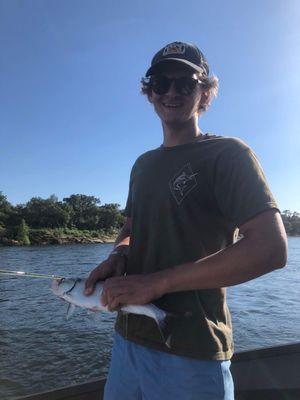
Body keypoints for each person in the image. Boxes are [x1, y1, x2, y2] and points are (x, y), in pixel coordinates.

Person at [84, 41, 287, 400]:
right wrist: (118, 256)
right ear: (149, 91)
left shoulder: (229, 155)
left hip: (192, 351)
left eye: (186, 83)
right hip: (127, 339)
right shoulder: (142, 165)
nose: (172, 92)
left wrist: (157, 283)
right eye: (161, 83)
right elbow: (132, 230)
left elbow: (270, 248)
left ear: (205, 91)